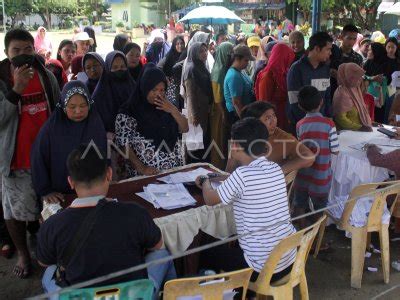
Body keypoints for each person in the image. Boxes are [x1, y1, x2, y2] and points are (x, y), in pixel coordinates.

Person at [37, 145, 176, 298]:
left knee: (49, 272)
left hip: (81, 296)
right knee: (163, 254)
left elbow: (44, 261)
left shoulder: (53, 225)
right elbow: (157, 246)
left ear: (71, 182)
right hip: (131, 295)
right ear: (109, 174)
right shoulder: (135, 213)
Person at [195, 117, 296, 282]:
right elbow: (240, 181)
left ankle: (220, 291)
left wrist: (206, 181)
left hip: (262, 269)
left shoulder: (241, 175)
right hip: (288, 260)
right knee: (230, 242)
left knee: (208, 252)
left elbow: (210, 199)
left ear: (235, 145)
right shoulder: (275, 168)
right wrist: (220, 177)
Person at [0, 29, 60, 278]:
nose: (24, 55)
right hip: (16, 161)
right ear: (6, 53)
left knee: (49, 209)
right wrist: (17, 89)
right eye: (17, 51)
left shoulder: (47, 75)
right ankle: (23, 253)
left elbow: (57, 110)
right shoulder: (2, 80)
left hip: (47, 158)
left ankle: (46, 251)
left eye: (28, 49)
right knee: (14, 213)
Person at [31, 81, 107, 203]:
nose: (78, 111)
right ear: (63, 106)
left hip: (93, 191)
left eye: (83, 106)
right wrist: (45, 190)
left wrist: (105, 180)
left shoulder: (95, 123)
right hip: (62, 194)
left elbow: (103, 153)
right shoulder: (51, 128)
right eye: (72, 107)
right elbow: (38, 158)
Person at [116, 64, 188, 177]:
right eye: (154, 89)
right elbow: (123, 144)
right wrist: (142, 168)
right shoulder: (129, 111)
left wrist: (173, 111)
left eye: (162, 90)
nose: (158, 94)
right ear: (144, 87)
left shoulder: (167, 106)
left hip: (174, 171)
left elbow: (185, 128)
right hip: (147, 175)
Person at [226, 101, 314, 174]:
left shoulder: (282, 137)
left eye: (274, 116)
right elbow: (229, 169)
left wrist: (279, 171)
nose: (273, 121)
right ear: (254, 122)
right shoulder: (240, 134)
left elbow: (309, 157)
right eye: (267, 118)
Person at [293, 86, 339, 227]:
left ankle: (301, 230)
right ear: (321, 102)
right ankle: (318, 235)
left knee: (300, 203)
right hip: (321, 175)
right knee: (320, 207)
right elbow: (336, 150)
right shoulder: (329, 124)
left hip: (302, 174)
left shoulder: (299, 125)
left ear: (300, 106)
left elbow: (300, 147)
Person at [287, 31, 332, 132]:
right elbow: (294, 101)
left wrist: (329, 118)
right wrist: (309, 123)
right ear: (317, 48)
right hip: (302, 127)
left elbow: (327, 97)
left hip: (322, 125)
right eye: (328, 49)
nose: (330, 53)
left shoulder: (325, 69)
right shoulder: (296, 69)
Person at [183, 42, 214, 162]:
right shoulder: (191, 69)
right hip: (197, 113)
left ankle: (204, 166)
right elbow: (190, 95)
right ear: (194, 53)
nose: (204, 53)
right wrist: (194, 115)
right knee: (196, 144)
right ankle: (195, 167)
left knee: (203, 141)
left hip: (204, 111)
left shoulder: (202, 67)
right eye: (201, 51)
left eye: (205, 50)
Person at [92, 51, 135, 135]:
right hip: (109, 140)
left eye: (122, 66)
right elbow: (95, 121)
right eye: (115, 67)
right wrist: (104, 133)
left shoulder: (133, 87)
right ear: (107, 69)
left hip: (134, 135)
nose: (119, 69)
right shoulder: (99, 94)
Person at [255, 43, 295, 130]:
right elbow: (263, 103)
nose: (289, 62)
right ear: (282, 57)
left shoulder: (283, 73)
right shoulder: (267, 75)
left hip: (283, 119)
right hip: (271, 123)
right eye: (287, 58)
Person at [210, 42, 234, 169]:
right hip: (219, 112)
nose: (232, 56)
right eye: (229, 54)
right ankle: (217, 166)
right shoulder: (218, 72)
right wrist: (224, 114)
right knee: (218, 139)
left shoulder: (225, 69)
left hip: (223, 110)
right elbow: (217, 98)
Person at [332, 63, 372, 131]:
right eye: (357, 77)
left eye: (360, 77)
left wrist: (369, 122)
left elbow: (361, 111)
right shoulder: (342, 93)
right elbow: (340, 118)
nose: (360, 80)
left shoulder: (356, 89)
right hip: (347, 134)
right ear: (349, 77)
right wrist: (359, 127)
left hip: (359, 132)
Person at [224, 44, 256, 124]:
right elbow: (236, 102)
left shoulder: (241, 71)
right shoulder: (234, 76)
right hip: (237, 115)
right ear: (237, 58)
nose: (247, 63)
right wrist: (244, 120)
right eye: (246, 60)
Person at [330, 24, 363, 97]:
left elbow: (359, 79)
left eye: (354, 39)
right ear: (342, 37)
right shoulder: (331, 54)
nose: (351, 42)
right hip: (332, 95)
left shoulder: (358, 58)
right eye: (349, 38)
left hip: (350, 98)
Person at [364, 42, 391, 123]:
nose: (367, 52)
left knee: (377, 120)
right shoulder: (368, 62)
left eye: (369, 50)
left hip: (380, 99)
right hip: (367, 96)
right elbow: (362, 77)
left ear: (376, 51)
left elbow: (382, 80)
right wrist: (372, 78)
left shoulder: (386, 64)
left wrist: (369, 78)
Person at [158, 36, 185, 107]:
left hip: (183, 84)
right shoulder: (170, 55)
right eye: (177, 44)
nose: (180, 46)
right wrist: (165, 77)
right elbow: (158, 66)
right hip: (172, 85)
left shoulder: (185, 55)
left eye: (182, 43)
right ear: (174, 45)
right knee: (174, 105)